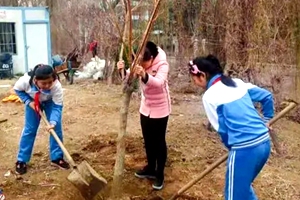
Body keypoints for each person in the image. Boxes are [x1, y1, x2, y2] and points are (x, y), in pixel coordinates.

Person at [188, 55, 274, 200]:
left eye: (194, 78)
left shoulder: (209, 96)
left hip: (245, 149)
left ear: (202, 75)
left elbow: (223, 131)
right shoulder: (237, 83)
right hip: (265, 143)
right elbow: (267, 97)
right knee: (243, 189)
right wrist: (266, 120)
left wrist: (236, 152)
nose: (193, 82)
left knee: (233, 196)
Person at [117, 41, 171, 190]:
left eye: (144, 62)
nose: (141, 64)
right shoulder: (139, 62)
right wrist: (121, 70)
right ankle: (150, 168)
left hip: (161, 108)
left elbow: (159, 83)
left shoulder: (162, 64)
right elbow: (127, 78)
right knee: (147, 140)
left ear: (152, 58)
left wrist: (144, 74)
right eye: (138, 61)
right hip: (146, 107)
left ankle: (159, 174)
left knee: (159, 142)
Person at [13, 64, 70, 175]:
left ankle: (57, 158)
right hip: (33, 101)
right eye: (43, 83)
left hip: (50, 102)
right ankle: (22, 160)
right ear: (35, 80)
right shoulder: (24, 81)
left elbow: (57, 106)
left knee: (56, 129)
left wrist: (53, 122)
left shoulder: (56, 86)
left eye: (50, 82)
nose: (48, 85)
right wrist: (29, 102)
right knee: (30, 130)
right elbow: (17, 90)